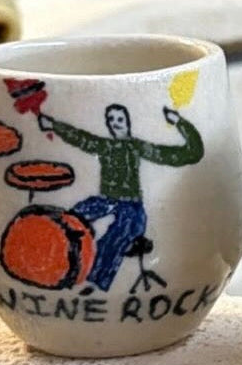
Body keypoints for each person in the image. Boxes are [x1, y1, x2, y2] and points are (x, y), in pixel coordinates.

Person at [37, 104, 203, 291]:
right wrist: (54, 125)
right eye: (112, 120)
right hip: (105, 200)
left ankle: (95, 283)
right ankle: (59, 267)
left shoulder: (137, 147)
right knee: (69, 219)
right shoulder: (106, 146)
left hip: (130, 204)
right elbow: (81, 138)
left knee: (118, 235)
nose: (115, 124)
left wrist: (180, 123)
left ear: (128, 122)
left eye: (120, 119)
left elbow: (189, 153)